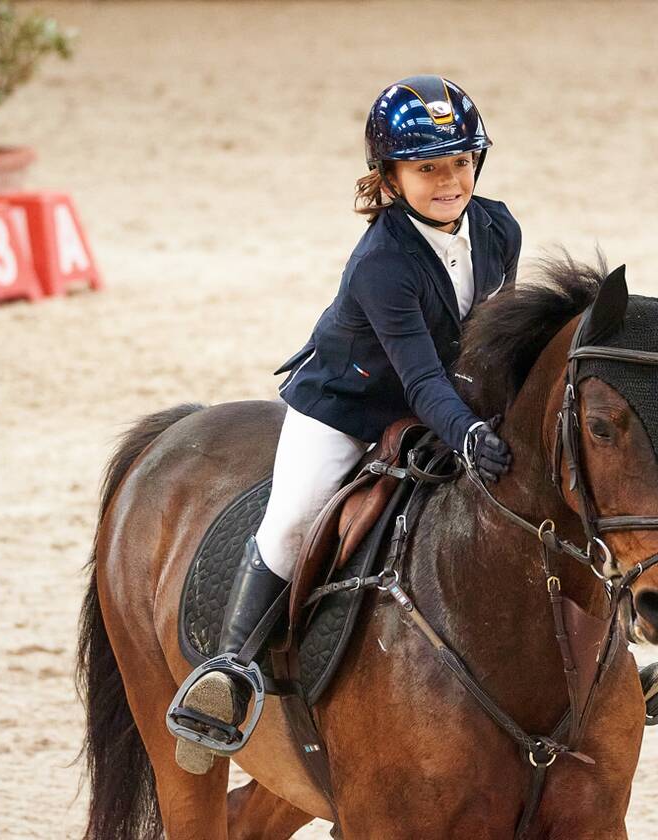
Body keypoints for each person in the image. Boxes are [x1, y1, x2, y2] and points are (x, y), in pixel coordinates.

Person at [170, 75, 518, 774]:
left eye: (460, 162)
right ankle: (230, 671)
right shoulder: (383, 263)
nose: (449, 181)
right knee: (293, 521)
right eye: (427, 168)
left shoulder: (500, 226)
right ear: (389, 179)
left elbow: (486, 338)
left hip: (446, 392)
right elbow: (417, 380)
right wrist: (470, 434)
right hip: (349, 406)